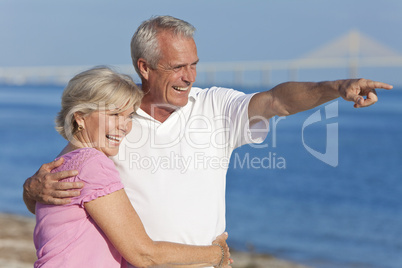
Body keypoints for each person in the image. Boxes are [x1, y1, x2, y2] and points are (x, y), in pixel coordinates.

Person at [23, 16, 393, 267]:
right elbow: (63, 185)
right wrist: (31, 187)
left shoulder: (215, 107)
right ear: (144, 67)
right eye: (177, 67)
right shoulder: (113, 119)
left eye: (194, 64)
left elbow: (277, 100)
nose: (189, 77)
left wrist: (337, 88)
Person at [32, 66, 231, 267]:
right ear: (80, 117)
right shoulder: (93, 164)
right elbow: (145, 255)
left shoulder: (61, 164)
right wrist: (216, 254)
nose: (125, 126)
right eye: (114, 114)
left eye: (129, 116)